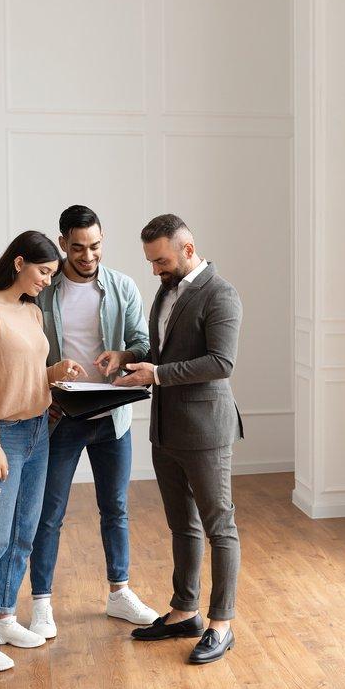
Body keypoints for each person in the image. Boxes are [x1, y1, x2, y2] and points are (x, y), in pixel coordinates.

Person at [27, 205, 159, 640]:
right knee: (49, 513)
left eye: (96, 246)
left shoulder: (122, 287)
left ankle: (119, 592)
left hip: (112, 417)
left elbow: (142, 342)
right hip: (61, 417)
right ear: (62, 243)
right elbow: (24, 353)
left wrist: (122, 356)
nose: (88, 256)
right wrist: (43, 388)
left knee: (116, 509)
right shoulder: (42, 291)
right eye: (79, 247)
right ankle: (42, 603)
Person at [0, 231, 85, 672]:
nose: (48, 281)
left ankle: (2, 617)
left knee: (23, 533)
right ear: (18, 263)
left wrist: (54, 372)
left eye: (52, 274)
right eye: (44, 271)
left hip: (38, 432)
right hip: (3, 435)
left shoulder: (31, 312)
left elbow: (25, 373)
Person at [117, 214, 244, 665]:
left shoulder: (221, 294)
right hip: (166, 429)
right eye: (151, 262)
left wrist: (159, 374)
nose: (155, 270)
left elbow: (220, 363)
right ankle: (185, 611)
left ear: (188, 249)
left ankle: (221, 623)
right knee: (181, 525)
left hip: (207, 432)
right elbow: (166, 349)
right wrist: (131, 357)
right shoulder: (167, 290)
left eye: (162, 260)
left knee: (219, 527)